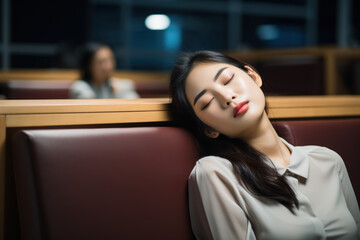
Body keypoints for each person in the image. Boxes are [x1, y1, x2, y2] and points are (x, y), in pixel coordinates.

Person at [170, 50, 360, 239]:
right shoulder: (215, 173)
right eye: (207, 102)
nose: (227, 97)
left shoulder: (328, 160)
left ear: (253, 76)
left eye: (228, 80)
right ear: (208, 129)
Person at [70, 43, 139, 99]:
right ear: (88, 66)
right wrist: (115, 94)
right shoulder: (80, 87)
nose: (109, 66)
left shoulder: (120, 85)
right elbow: (93, 109)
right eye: (101, 62)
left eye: (110, 60)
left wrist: (121, 90)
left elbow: (135, 105)